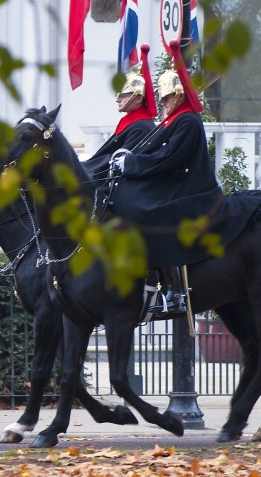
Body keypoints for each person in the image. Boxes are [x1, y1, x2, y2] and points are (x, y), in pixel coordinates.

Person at [108, 58, 261, 305]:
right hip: (177, 186)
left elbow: (169, 157)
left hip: (193, 191)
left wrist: (132, 164)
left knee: (154, 213)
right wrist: (129, 157)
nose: (163, 103)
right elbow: (153, 150)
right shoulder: (175, 119)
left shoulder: (188, 121)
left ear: (178, 95)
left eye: (167, 98)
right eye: (162, 98)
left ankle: (175, 286)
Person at [83, 51, 158, 182]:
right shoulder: (131, 122)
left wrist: (89, 170)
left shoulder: (141, 127)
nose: (118, 100)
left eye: (123, 95)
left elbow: (117, 161)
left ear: (138, 98)